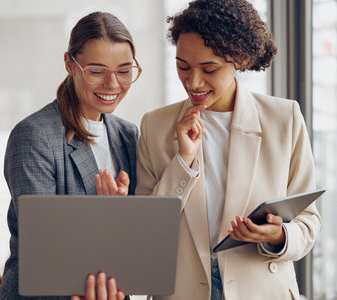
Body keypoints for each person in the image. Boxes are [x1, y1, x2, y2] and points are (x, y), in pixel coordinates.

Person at [134, 0, 321, 299]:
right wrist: (183, 160)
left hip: (261, 287)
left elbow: (309, 222)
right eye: (183, 66)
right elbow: (146, 229)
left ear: (242, 59)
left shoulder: (283, 119)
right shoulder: (155, 126)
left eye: (209, 68)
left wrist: (279, 235)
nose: (193, 81)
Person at [0, 11, 141, 300]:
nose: (113, 85)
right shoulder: (35, 135)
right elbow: (43, 242)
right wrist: (106, 218)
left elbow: (142, 233)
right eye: (97, 71)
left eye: (124, 71)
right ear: (69, 64)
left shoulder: (128, 135)